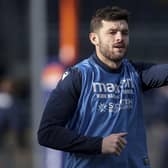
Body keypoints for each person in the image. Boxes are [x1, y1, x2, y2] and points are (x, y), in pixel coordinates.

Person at [38, 6, 168, 168]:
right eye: (112, 32)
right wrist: (98, 144)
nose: (120, 38)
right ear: (94, 39)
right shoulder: (78, 76)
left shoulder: (135, 73)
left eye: (124, 32)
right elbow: (47, 133)